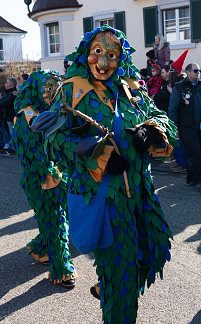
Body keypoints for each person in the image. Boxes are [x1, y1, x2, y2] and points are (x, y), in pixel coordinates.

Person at [44, 26, 176, 323]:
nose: (103, 64)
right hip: (107, 198)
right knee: (121, 271)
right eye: (98, 53)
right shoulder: (71, 90)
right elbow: (53, 140)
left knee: (153, 253)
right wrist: (99, 156)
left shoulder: (132, 86)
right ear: (86, 55)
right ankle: (116, 300)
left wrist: (152, 130)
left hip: (141, 193)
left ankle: (111, 285)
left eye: (112, 55)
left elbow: (159, 116)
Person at [13, 70, 76, 288]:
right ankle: (62, 270)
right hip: (41, 179)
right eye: (46, 89)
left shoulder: (52, 110)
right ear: (36, 89)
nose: (50, 93)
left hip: (60, 173)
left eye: (53, 88)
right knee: (57, 220)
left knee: (60, 218)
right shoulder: (26, 115)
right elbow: (28, 153)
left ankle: (40, 248)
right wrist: (48, 174)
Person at [169, 62, 201, 192]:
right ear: (189, 72)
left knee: (196, 153)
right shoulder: (179, 87)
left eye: (199, 71)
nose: (198, 73)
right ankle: (198, 180)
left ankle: (190, 178)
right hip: (186, 126)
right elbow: (173, 110)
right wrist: (174, 128)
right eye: (195, 70)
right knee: (196, 153)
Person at [0, 77, 18, 151]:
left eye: (7, 83)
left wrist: (0, 99)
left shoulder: (12, 93)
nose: (5, 84)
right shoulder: (8, 93)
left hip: (11, 116)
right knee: (11, 131)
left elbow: (5, 103)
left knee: (12, 132)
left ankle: (13, 147)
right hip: (8, 115)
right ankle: (12, 145)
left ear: (11, 85)